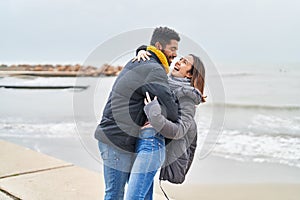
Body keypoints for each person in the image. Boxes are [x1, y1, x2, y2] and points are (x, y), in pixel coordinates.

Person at [94, 27, 181, 200]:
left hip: (113, 137)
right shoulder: (153, 69)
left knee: (119, 193)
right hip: (117, 141)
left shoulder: (140, 61)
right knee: (115, 195)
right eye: (173, 49)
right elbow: (170, 110)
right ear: (158, 46)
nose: (175, 55)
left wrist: (141, 49)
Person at [125, 51, 206, 199]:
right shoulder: (163, 84)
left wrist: (153, 112)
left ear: (189, 74)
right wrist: (142, 51)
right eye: (180, 59)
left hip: (153, 145)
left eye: (184, 63)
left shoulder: (187, 98)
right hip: (140, 141)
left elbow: (179, 131)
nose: (178, 62)